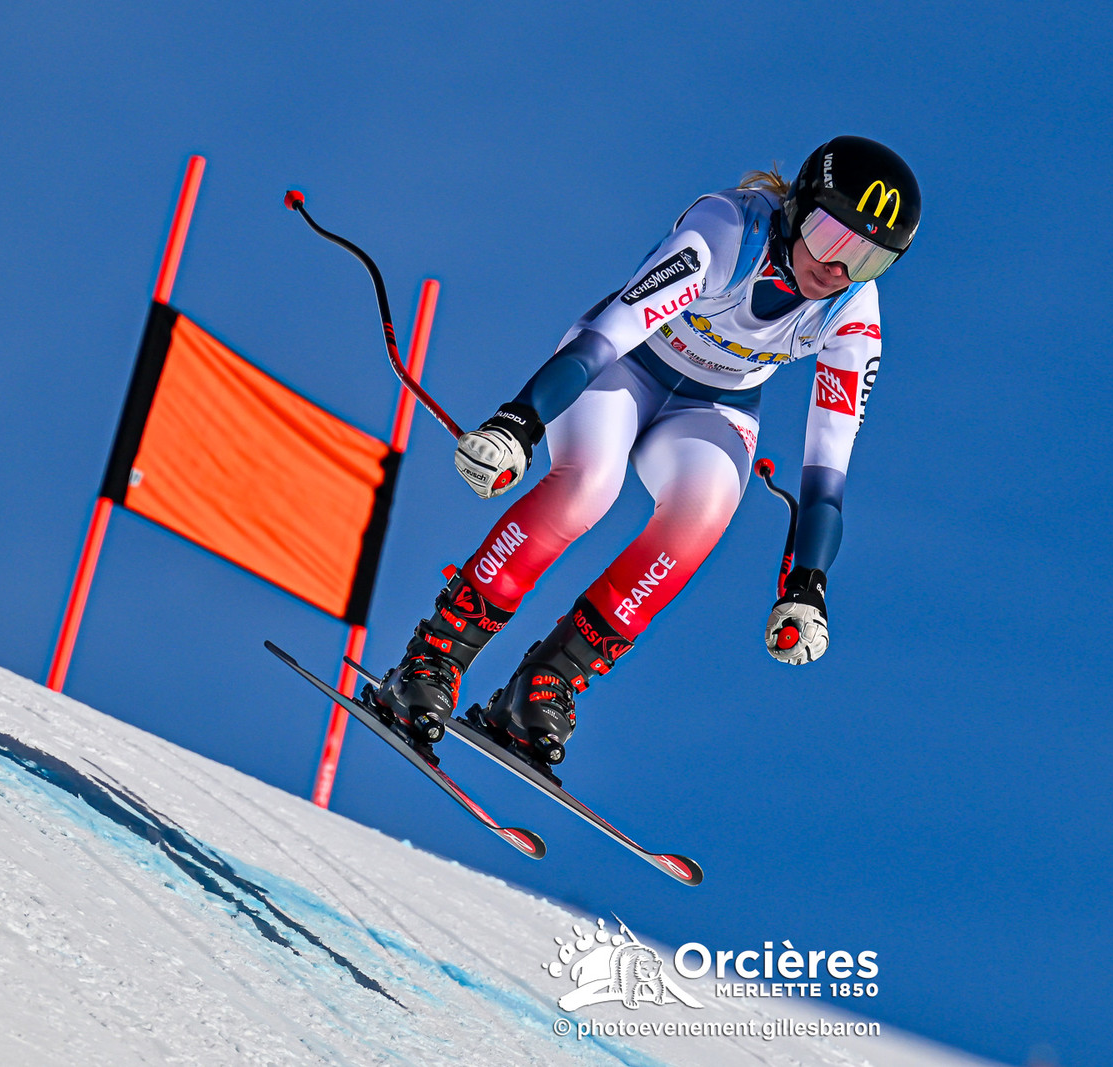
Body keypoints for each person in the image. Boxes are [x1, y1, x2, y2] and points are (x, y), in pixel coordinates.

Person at [372, 135, 921, 767]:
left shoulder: (853, 314)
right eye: (829, 238)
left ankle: (547, 682)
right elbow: (607, 338)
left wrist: (808, 584)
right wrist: (519, 421)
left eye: (867, 259)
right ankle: (434, 657)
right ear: (796, 208)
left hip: (716, 405)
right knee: (587, 485)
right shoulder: (728, 231)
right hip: (624, 365)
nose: (837, 271)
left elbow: (827, 474)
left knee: (701, 514)